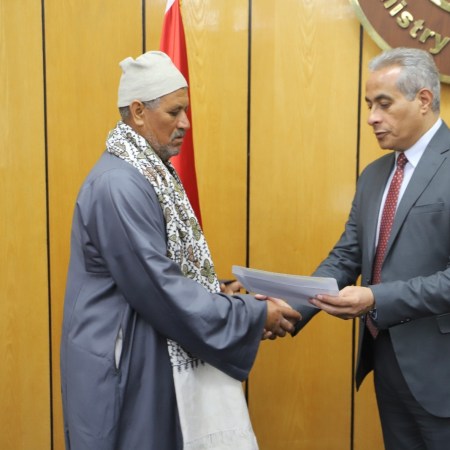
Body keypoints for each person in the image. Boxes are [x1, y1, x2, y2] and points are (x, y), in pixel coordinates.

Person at [60, 50, 300, 450]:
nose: (186, 123)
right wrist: (252, 315)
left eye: (185, 111)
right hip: (123, 365)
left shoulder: (147, 171)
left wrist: (216, 293)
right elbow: (160, 288)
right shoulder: (119, 185)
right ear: (139, 112)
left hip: (145, 352)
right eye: (175, 112)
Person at [294, 47, 450, 449]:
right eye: (369, 105)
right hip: (387, 364)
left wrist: (376, 298)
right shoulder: (375, 175)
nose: (371, 118)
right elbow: (346, 257)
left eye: (384, 104)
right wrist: (289, 307)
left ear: (423, 100)